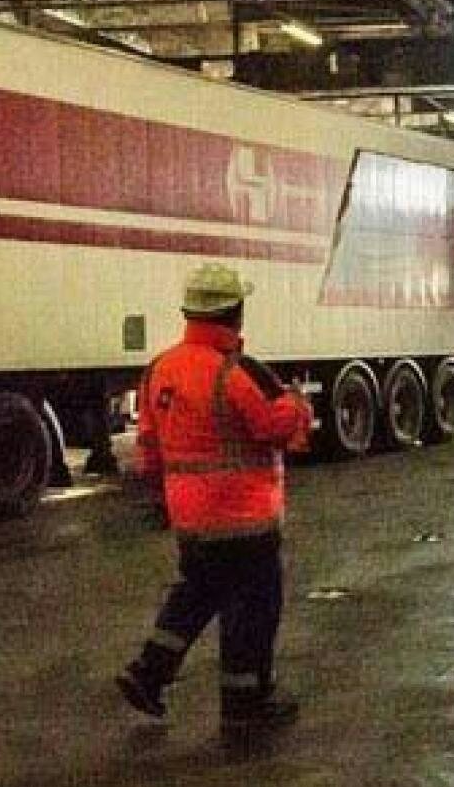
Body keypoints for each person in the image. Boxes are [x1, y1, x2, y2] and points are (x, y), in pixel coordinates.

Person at [117, 263, 313, 739]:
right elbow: (272, 425)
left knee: (197, 592)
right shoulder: (235, 372)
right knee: (253, 607)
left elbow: (148, 442)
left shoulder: (160, 368)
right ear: (236, 314)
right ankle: (245, 704)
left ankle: (148, 672)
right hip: (242, 518)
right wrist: (297, 404)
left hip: (190, 517)